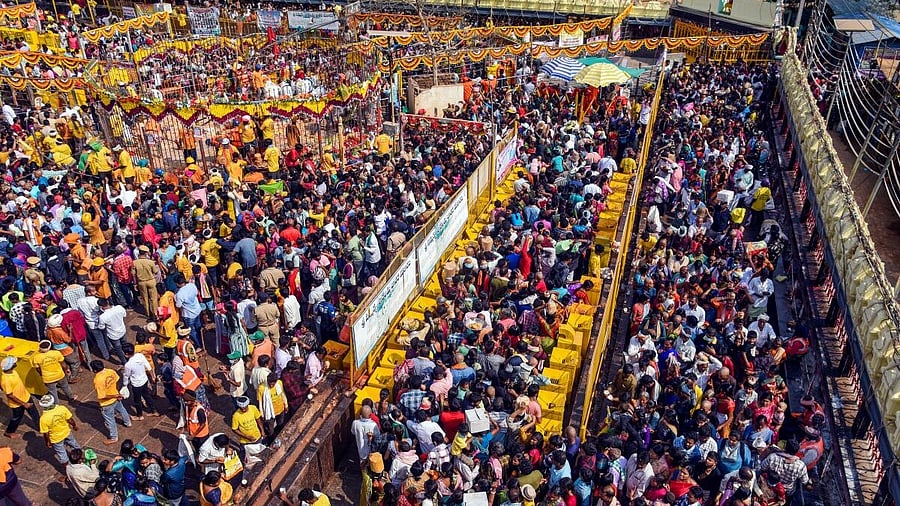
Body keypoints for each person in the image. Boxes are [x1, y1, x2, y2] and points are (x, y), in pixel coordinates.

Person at [91, 360, 132, 444]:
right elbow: (117, 381)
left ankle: (114, 437)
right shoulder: (110, 371)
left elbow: (102, 396)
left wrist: (115, 395)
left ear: (94, 370)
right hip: (116, 397)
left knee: (110, 420)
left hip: (106, 403)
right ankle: (128, 422)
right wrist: (116, 393)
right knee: (122, 410)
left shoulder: (98, 380)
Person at [0, 357, 39, 439]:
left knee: (35, 413)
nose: (15, 363)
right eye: (13, 363)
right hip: (17, 404)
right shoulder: (5, 380)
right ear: (10, 366)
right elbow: (10, 395)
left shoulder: (13, 371)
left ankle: (41, 427)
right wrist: (24, 404)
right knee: (16, 418)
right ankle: (9, 432)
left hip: (26, 396)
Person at [38, 394, 80, 465]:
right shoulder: (62, 408)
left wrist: (48, 442)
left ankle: (68, 469)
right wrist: (74, 426)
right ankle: (80, 457)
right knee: (75, 445)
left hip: (56, 438)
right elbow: (69, 419)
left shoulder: (43, 418)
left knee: (62, 454)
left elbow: (46, 433)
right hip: (67, 432)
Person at [122, 342, 159, 420]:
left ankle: (139, 415)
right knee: (147, 396)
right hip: (144, 380)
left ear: (126, 354)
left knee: (137, 400)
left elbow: (126, 376)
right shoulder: (140, 355)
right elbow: (148, 367)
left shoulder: (128, 365)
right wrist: (152, 376)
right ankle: (154, 411)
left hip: (136, 384)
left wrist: (125, 385)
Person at [97, 297, 129, 365]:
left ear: (101, 307)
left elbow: (101, 327)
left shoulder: (102, 317)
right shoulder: (119, 307)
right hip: (122, 330)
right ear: (108, 302)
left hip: (113, 335)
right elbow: (124, 315)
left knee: (118, 349)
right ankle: (128, 356)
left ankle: (124, 362)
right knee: (125, 345)